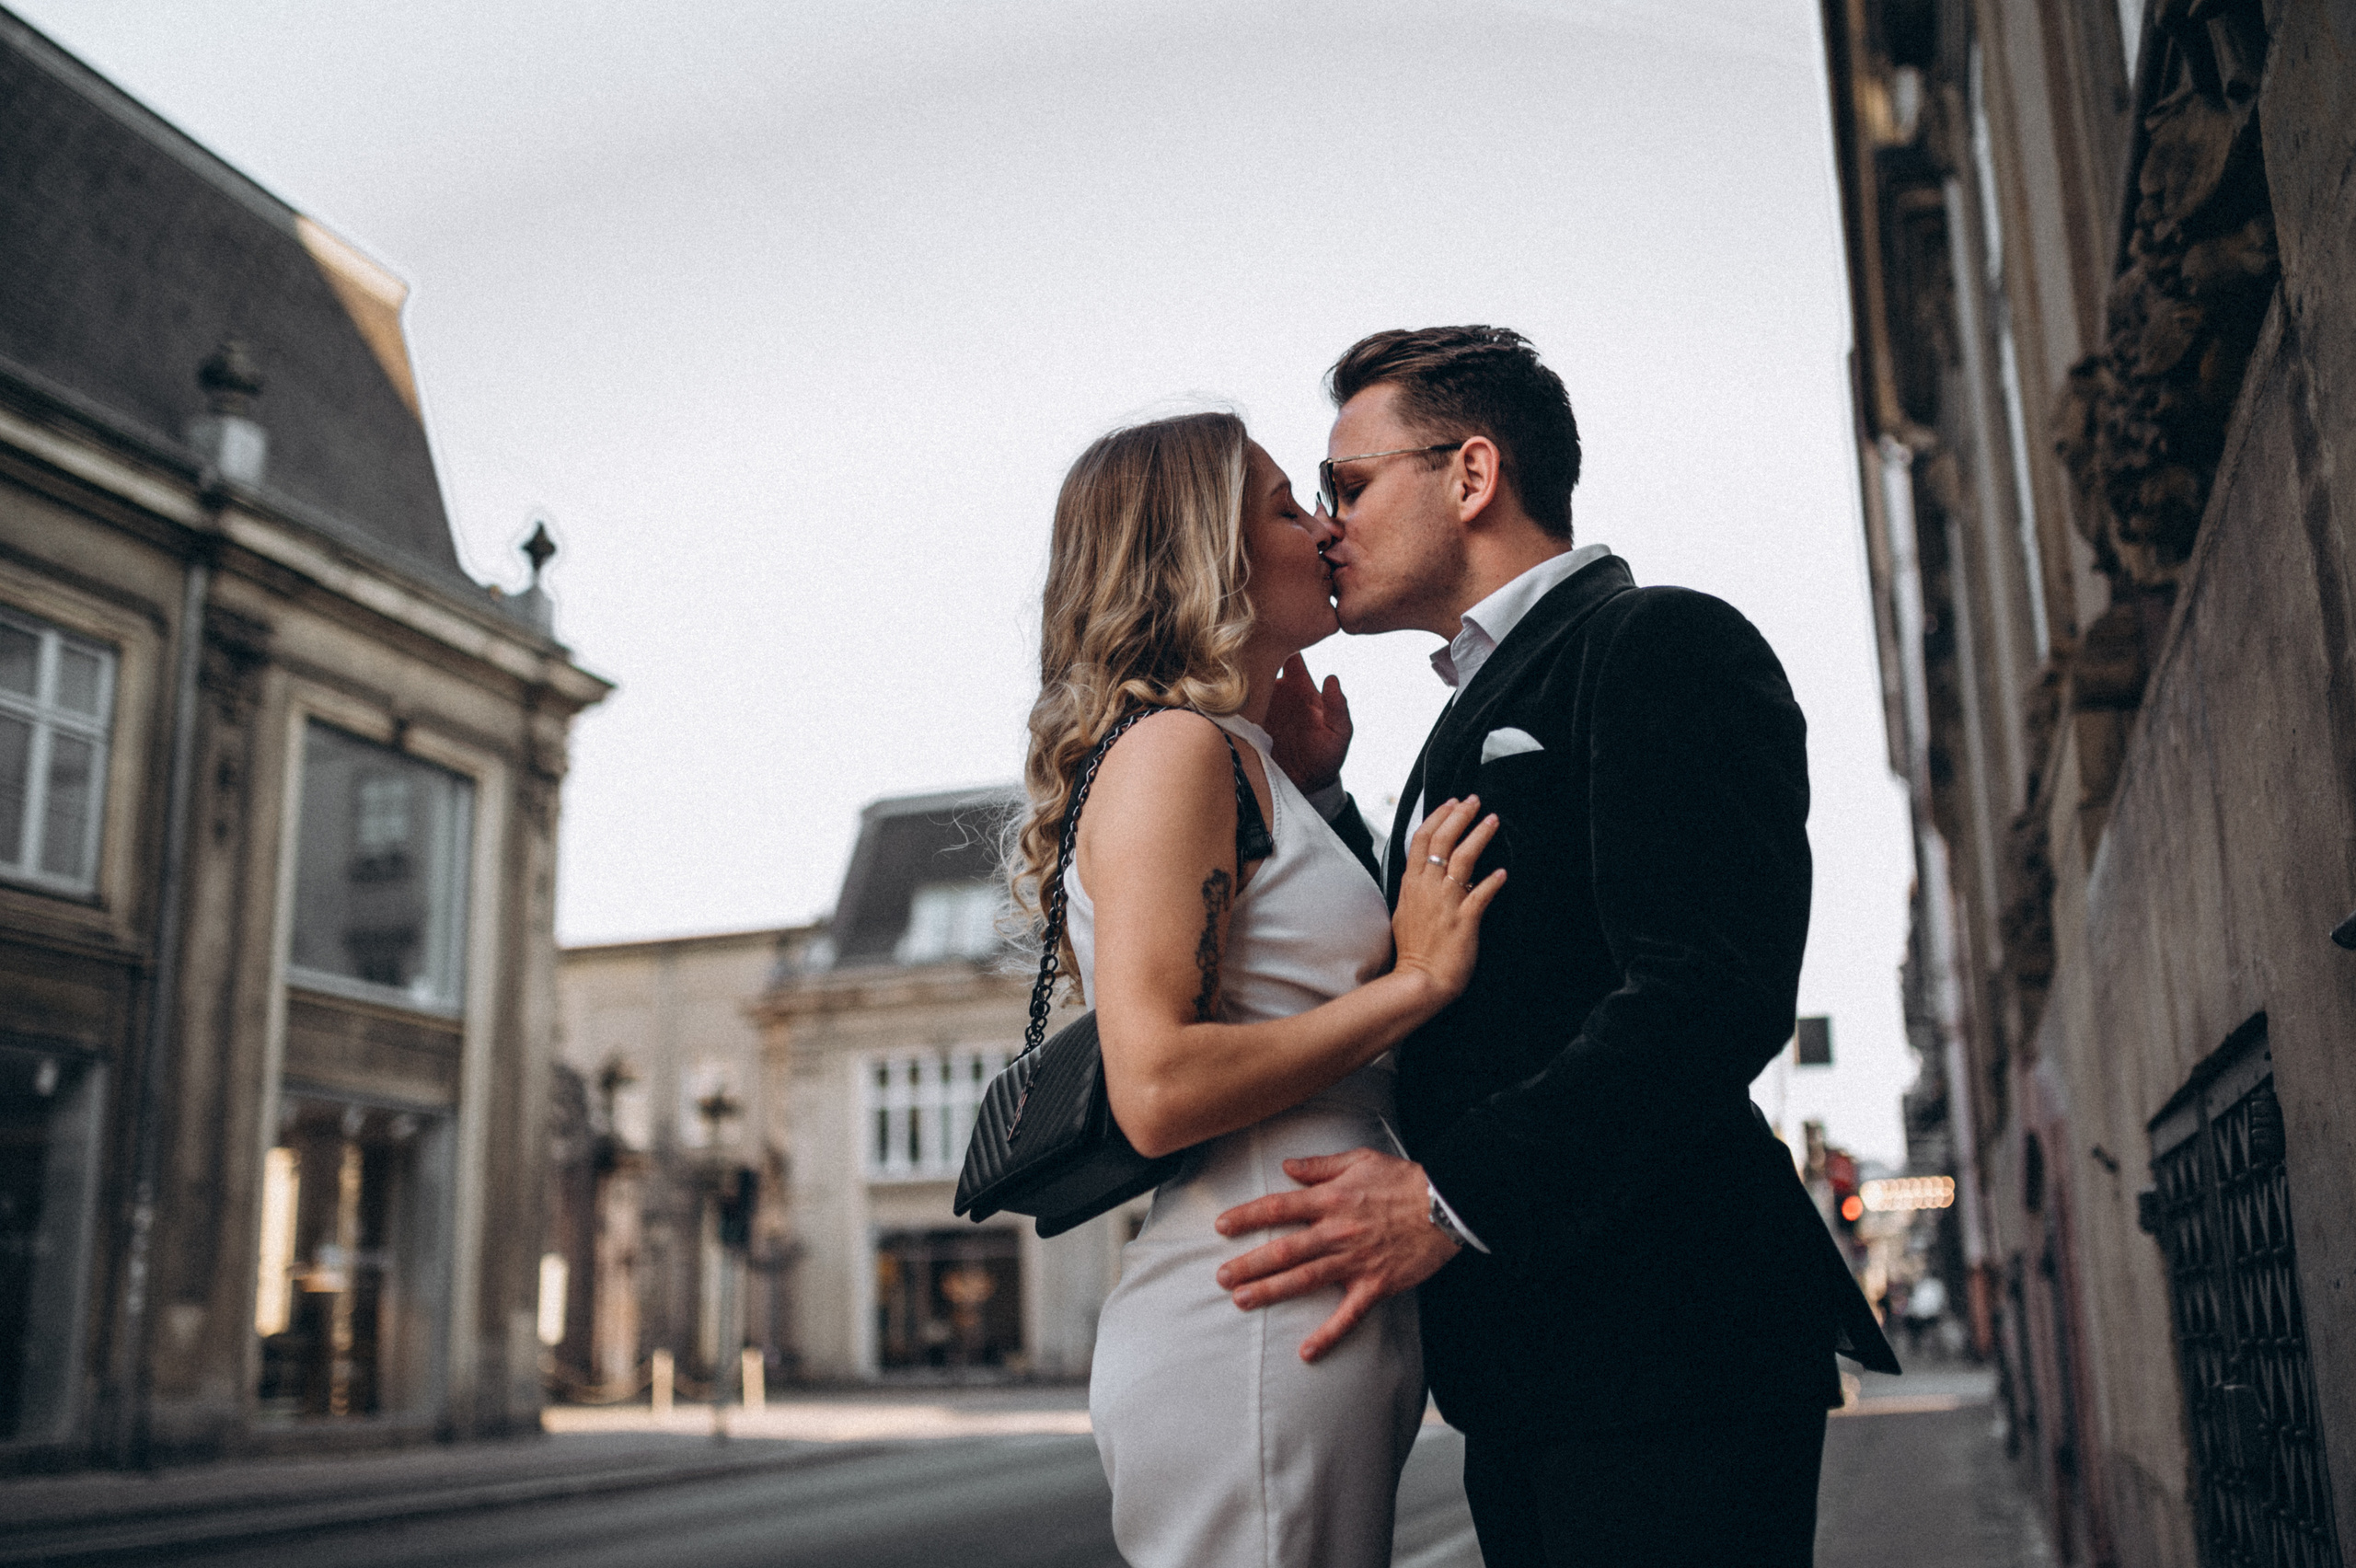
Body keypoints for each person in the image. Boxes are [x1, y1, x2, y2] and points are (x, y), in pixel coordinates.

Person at [1216, 327, 1900, 1568]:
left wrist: (1449, 1198)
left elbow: (1707, 993)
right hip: (1529, 1364)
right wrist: (1325, 812)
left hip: (1669, 1346)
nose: (1325, 529)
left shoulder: (1660, 644)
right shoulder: (1453, 722)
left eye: (1349, 489)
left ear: (1472, 477)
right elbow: (1484, 979)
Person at [1013, 410, 1506, 1568]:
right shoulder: (1176, 751)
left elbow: (1270, 985)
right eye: (1290, 506)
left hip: (1299, 1273)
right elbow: (1156, 1084)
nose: (1327, 528)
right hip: (1257, 1292)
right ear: (1205, 551)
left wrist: (1312, 794)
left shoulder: (1230, 756)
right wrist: (1420, 981)